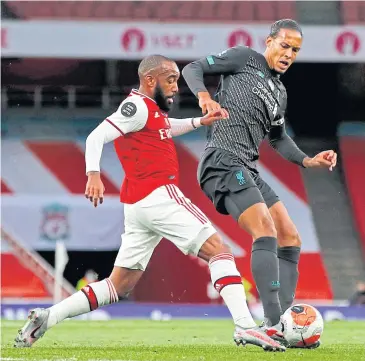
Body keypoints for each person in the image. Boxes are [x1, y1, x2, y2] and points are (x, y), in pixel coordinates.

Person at [14, 55, 284, 352]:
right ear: (150, 80)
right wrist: (93, 174)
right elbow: (96, 136)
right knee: (219, 249)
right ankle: (246, 326)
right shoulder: (136, 107)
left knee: (119, 285)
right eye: (170, 80)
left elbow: (166, 126)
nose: (175, 88)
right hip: (158, 195)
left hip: (138, 206)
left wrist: (198, 121)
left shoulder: (149, 110)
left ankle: (48, 317)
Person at [182, 19, 337, 348]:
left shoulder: (279, 93)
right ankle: (273, 324)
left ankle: (279, 319)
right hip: (222, 160)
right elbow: (192, 68)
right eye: (284, 45)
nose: (289, 54)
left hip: (248, 169)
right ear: (269, 41)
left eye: (295, 50)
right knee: (265, 230)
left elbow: (279, 139)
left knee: (290, 236)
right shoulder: (243, 58)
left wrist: (309, 160)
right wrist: (204, 98)